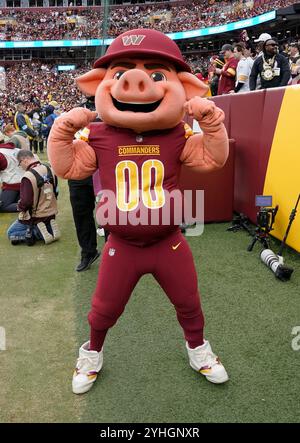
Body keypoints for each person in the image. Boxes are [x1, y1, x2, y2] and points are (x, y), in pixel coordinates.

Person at [48, 28, 229, 395]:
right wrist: (63, 130)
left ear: (183, 86)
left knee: (189, 302)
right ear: (100, 83)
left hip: (168, 241)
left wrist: (210, 121)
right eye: (122, 73)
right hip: (123, 243)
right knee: (103, 310)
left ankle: (198, 350)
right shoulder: (99, 134)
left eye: (157, 75)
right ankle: (91, 354)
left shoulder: (177, 133)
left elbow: (212, 157)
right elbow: (69, 168)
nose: (136, 82)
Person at [68, 96, 100, 272]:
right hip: (78, 171)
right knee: (81, 214)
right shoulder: (76, 114)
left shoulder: (111, 115)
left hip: (102, 170)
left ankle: (115, 251)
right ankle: (88, 251)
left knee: (109, 212)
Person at [7, 150, 60, 245]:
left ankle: (38, 233)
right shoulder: (50, 169)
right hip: (51, 212)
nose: (21, 166)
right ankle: (49, 228)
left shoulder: (28, 176)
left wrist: (20, 206)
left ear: (25, 160)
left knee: (11, 233)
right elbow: (56, 191)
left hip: (35, 216)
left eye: (19, 163)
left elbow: (26, 202)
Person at [0, 140, 23, 212]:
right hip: (25, 183)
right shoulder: (17, 150)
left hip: (12, 185)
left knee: (2, 206)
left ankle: (28, 207)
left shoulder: (1, 153)